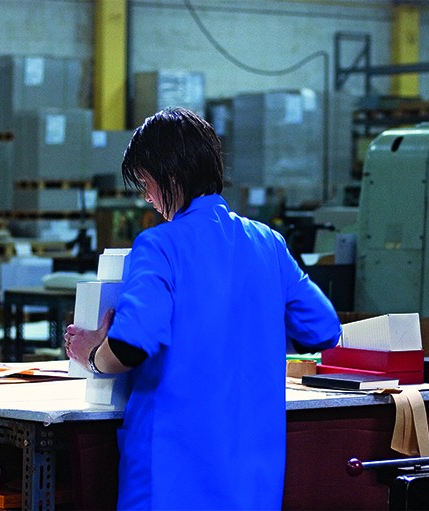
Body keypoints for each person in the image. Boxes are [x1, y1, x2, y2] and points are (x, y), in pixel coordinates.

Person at [63, 107, 341, 510]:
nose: (148, 197)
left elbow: (129, 348)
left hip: (172, 480)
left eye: (147, 183)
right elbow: (324, 330)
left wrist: (91, 352)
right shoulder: (268, 244)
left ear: (171, 177)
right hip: (253, 483)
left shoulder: (159, 247)